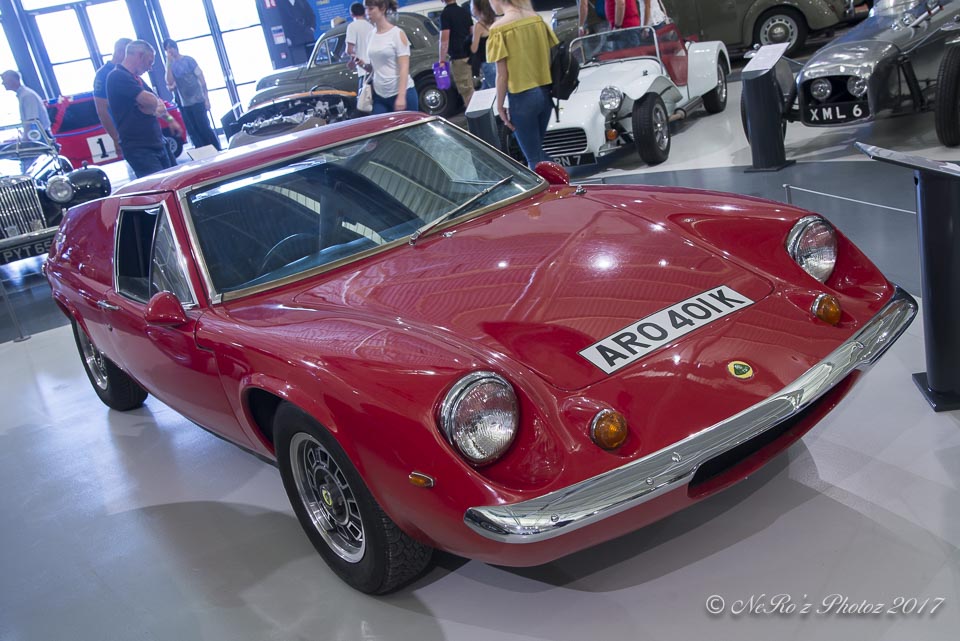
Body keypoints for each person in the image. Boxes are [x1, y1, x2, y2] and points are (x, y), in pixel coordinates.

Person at [487, 0, 557, 169]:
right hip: (545, 94)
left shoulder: (499, 29)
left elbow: (502, 75)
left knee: (534, 159)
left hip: (522, 98)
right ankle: (562, 180)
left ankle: (558, 183)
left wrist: (500, 106)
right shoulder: (536, 19)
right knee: (537, 152)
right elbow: (550, 57)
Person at [106, 40, 184, 178]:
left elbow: (158, 102)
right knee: (159, 186)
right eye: (149, 62)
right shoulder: (117, 76)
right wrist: (153, 104)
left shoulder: (137, 79)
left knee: (176, 179)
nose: (150, 68)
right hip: (140, 148)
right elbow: (151, 101)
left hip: (159, 142)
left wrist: (170, 120)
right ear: (139, 55)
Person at [360, 0, 418, 113]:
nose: (367, 12)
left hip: (402, 93)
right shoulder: (370, 36)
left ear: (382, 8)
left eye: (371, 9)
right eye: (366, 9)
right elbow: (376, 68)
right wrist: (363, 65)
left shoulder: (397, 34)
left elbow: (404, 67)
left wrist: (401, 96)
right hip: (380, 94)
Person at [163, 38, 221, 151]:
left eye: (170, 47)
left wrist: (206, 99)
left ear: (175, 47)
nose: (169, 51)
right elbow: (169, 81)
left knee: (204, 127)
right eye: (167, 49)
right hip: (184, 103)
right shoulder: (171, 66)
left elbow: (202, 79)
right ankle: (202, 151)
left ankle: (215, 149)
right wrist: (168, 63)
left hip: (198, 99)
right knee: (193, 131)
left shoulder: (188, 60)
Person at [1, 69, 52, 171]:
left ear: (13, 80)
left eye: (4, 80)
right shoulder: (23, 94)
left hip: (39, 137)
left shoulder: (27, 95)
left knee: (32, 168)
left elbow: (32, 120)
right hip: (37, 136)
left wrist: (25, 140)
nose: (2, 83)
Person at [93, 37, 132, 152]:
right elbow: (102, 110)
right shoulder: (103, 75)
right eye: (130, 54)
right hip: (125, 133)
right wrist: (116, 138)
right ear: (120, 52)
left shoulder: (128, 71)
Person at [439, 0, 474, 109]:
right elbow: (472, 32)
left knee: (466, 90)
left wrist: (441, 60)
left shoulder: (445, 14)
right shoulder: (464, 11)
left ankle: (473, 115)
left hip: (459, 57)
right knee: (471, 86)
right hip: (469, 55)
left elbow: (444, 40)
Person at [278, 0, 318, 64]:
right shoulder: (280, 3)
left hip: (307, 36)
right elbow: (281, 22)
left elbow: (311, 15)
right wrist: (287, 37)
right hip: (294, 40)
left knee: (313, 60)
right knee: (300, 61)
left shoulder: (302, 1)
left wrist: (312, 28)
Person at [345, 2, 374, 89]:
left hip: (363, 71)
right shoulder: (371, 26)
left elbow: (349, 50)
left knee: (364, 96)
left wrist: (353, 61)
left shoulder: (352, 26)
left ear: (351, 14)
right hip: (374, 69)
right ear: (364, 12)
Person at [471, 0, 497, 90]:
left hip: (487, 62)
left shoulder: (478, 26)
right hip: (498, 59)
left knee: (493, 90)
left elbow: (474, 48)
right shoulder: (495, 21)